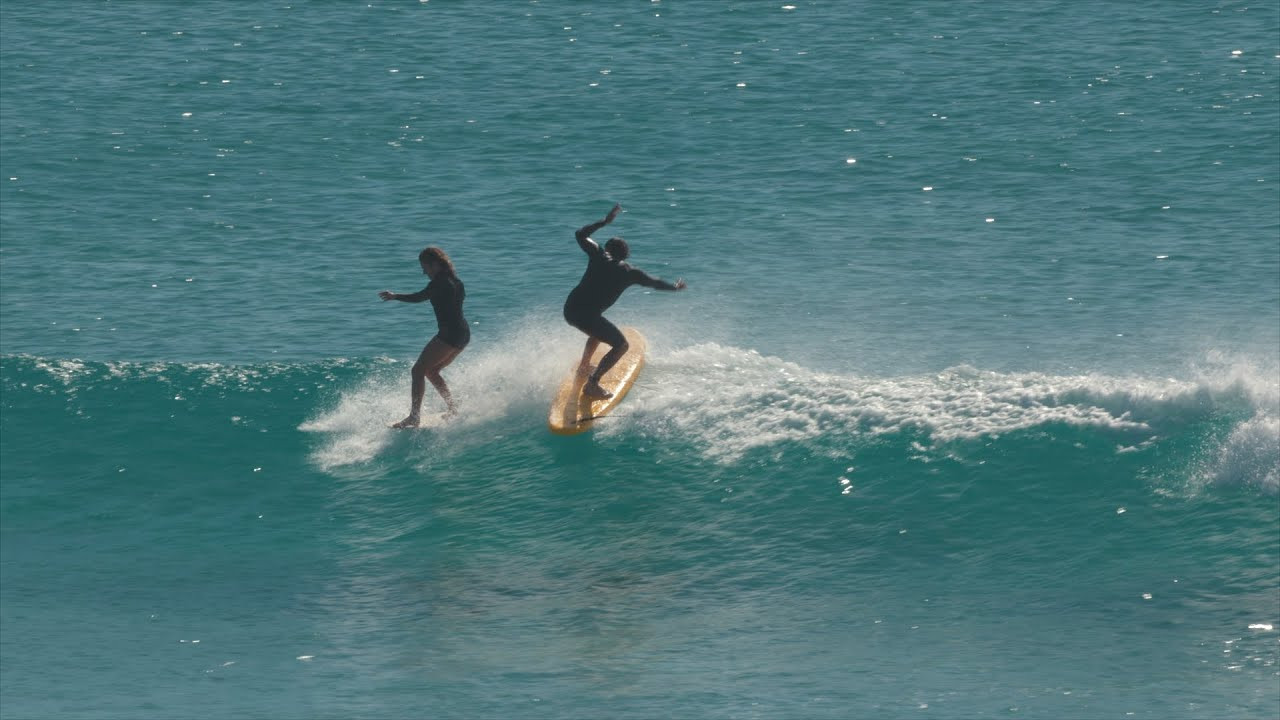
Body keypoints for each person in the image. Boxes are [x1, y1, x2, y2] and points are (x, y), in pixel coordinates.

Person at [563, 203, 686, 399]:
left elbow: (580, 234)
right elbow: (654, 283)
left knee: (597, 330)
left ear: (608, 249)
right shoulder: (629, 272)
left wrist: (604, 222)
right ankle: (592, 384)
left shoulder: (597, 255)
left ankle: (584, 367)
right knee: (621, 345)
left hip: (570, 310)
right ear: (626, 253)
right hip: (586, 316)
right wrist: (674, 287)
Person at [379, 247, 469, 428]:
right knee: (431, 371)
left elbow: (420, 297)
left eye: (425, 267)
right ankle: (453, 407)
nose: (424, 272)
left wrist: (395, 296)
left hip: (449, 334)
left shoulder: (440, 282)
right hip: (462, 333)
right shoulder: (456, 281)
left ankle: (414, 417)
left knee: (417, 370)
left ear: (434, 264)